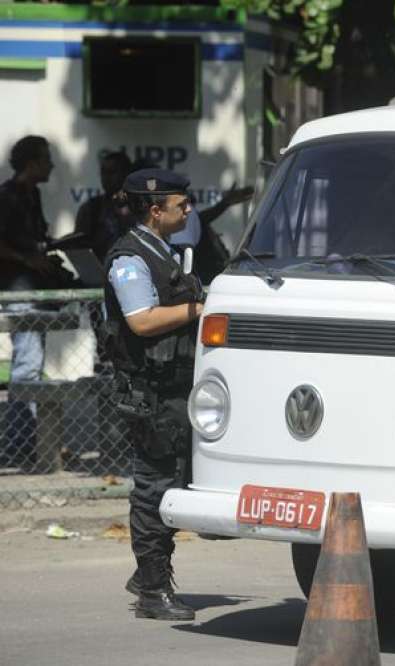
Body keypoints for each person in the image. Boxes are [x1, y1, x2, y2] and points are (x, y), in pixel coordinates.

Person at [102, 168, 203, 621]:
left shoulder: (163, 252)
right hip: (149, 393)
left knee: (172, 483)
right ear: (156, 209)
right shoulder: (130, 259)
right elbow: (141, 321)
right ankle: (152, 591)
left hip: (174, 389)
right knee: (154, 489)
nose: (189, 210)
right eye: (182, 204)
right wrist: (198, 308)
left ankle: (148, 577)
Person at [0, 135, 58, 470]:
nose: (51, 165)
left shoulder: (32, 195)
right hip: (18, 289)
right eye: (46, 158)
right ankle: (18, 446)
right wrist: (27, 259)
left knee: (32, 365)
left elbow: (32, 239)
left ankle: (26, 443)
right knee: (26, 366)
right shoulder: (7, 196)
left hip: (35, 290)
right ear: (31, 163)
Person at [169, 183, 254, 284]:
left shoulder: (198, 223)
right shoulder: (195, 221)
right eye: (183, 207)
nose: (189, 211)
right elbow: (207, 216)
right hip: (207, 280)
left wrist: (225, 203)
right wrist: (224, 203)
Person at [74, 151, 134, 261]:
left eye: (112, 172)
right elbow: (79, 250)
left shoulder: (141, 208)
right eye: (103, 172)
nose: (106, 177)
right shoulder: (91, 209)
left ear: (126, 174)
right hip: (101, 274)